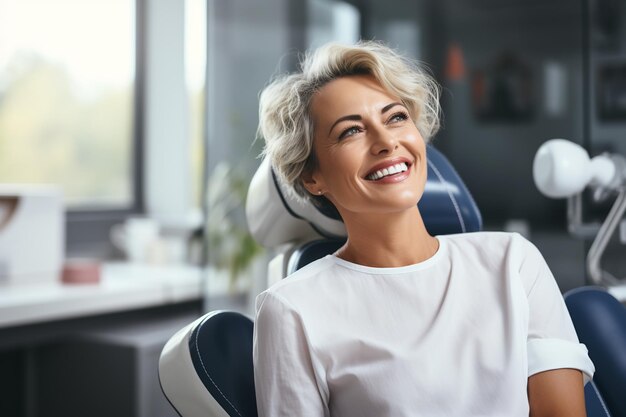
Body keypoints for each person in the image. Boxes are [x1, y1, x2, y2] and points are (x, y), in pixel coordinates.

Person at [253, 41, 594, 417]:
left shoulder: (513, 262)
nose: (386, 142)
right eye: (351, 131)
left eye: (396, 117)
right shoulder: (291, 310)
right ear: (312, 177)